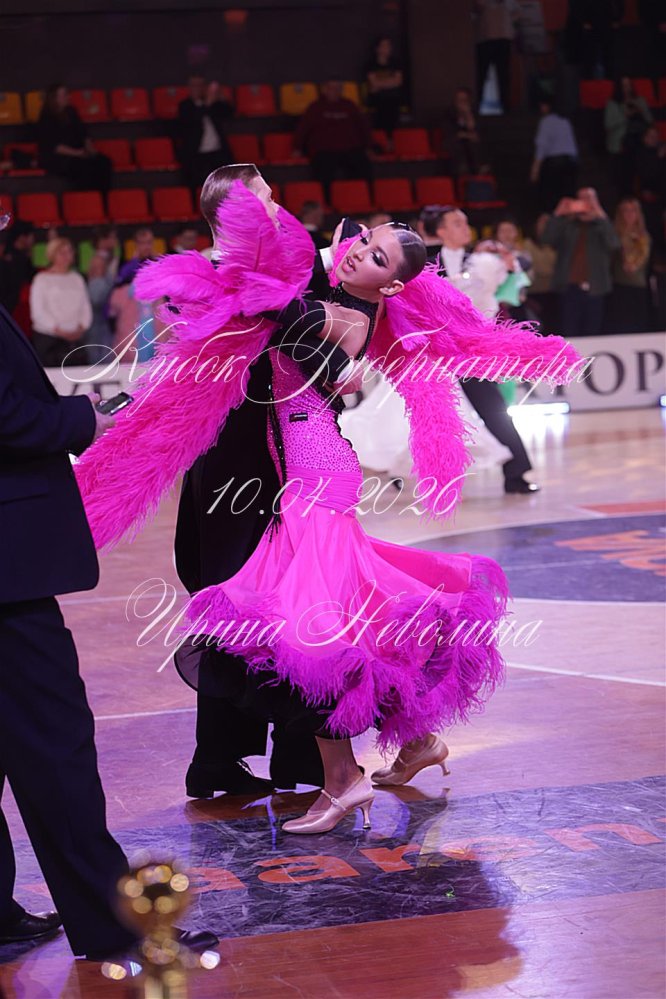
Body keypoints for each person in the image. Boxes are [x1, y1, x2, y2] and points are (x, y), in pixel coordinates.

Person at [75, 180, 581, 824]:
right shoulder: (339, 298)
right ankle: (415, 741)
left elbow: (286, 316)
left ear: (391, 286)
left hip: (310, 472)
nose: (357, 251)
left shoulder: (338, 314)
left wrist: (259, 244)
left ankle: (340, 779)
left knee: (308, 626)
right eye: (364, 241)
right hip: (308, 467)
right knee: (337, 615)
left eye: (374, 255)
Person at [165, 166, 361, 798]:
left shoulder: (234, 274)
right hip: (246, 467)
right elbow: (309, 349)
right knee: (262, 605)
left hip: (250, 460)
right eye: (267, 199)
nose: (278, 209)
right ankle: (273, 760)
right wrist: (337, 347)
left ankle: (239, 760)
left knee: (261, 605)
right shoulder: (235, 280)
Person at [421, 204, 539, 493]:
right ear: (441, 231)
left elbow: (521, 268)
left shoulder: (481, 260)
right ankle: (414, 475)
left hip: (470, 351)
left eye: (465, 222)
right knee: (424, 417)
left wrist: (507, 258)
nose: (466, 228)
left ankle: (516, 471)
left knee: (493, 407)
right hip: (433, 351)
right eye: (457, 223)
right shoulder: (425, 262)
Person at [543, 187, 619, 337]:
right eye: (581, 198)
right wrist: (558, 213)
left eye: (589, 198)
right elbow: (547, 239)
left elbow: (614, 244)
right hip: (569, 288)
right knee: (569, 331)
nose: (585, 202)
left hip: (595, 287)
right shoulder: (568, 225)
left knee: (593, 332)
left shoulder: (601, 225)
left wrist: (600, 215)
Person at [293, 79, 372, 197]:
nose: (335, 91)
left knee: (363, 166)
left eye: (338, 88)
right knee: (323, 171)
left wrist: (368, 146)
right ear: (324, 90)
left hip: (350, 149)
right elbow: (303, 128)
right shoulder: (315, 107)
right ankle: (326, 201)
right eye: (332, 88)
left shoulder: (349, 106)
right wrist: (297, 147)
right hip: (324, 150)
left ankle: (363, 197)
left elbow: (363, 127)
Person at [29, 237, 92, 368]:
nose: (66, 256)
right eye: (62, 252)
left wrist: (81, 327)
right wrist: (59, 330)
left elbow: (85, 307)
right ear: (52, 255)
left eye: (69, 251)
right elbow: (38, 311)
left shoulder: (77, 278)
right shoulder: (42, 279)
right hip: (50, 340)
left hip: (76, 339)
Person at [37, 84, 112, 193]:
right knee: (83, 167)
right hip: (59, 157)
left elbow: (82, 131)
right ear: (54, 98)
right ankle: (85, 198)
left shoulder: (71, 111)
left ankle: (103, 197)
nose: (69, 97)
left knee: (103, 162)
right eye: (65, 95)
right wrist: (77, 153)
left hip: (78, 152)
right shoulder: (46, 117)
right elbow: (53, 146)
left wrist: (89, 147)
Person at [177, 75, 233, 191]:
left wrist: (221, 98)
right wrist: (207, 103)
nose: (197, 88)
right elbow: (192, 120)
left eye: (200, 85)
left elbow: (229, 113)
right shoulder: (185, 106)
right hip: (196, 154)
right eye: (194, 85)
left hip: (217, 152)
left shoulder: (214, 104)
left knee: (224, 185)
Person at [608, 198, 651, 333]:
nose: (629, 214)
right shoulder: (614, 235)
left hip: (639, 286)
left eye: (633, 211)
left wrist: (633, 264)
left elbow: (644, 260)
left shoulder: (644, 237)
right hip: (619, 286)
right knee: (620, 325)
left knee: (638, 326)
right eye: (626, 211)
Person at [604, 78, 653, 197]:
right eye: (624, 86)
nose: (627, 89)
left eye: (628, 85)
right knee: (624, 173)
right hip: (622, 144)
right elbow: (608, 125)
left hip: (640, 142)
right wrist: (624, 116)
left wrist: (640, 111)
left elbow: (650, 121)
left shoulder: (639, 100)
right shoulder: (613, 104)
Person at [530, 97, 579, 213]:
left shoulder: (546, 122)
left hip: (555, 164)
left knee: (552, 197)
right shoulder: (565, 121)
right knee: (568, 195)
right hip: (571, 162)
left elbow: (542, 146)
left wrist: (535, 169)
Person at [473, 0, 519, 113]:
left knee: (503, 75)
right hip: (485, 39)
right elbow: (475, 10)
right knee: (481, 74)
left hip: (503, 38)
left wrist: (509, 23)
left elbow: (517, 12)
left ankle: (506, 107)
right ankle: (477, 106)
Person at [86, 225, 119, 364]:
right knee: (99, 354)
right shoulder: (99, 260)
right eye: (112, 237)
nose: (115, 241)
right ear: (103, 240)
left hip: (104, 315)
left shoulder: (107, 259)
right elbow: (96, 296)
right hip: (97, 316)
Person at [364, 37, 404, 141]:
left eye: (388, 46)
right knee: (381, 108)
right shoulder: (371, 64)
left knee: (392, 105)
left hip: (393, 98)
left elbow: (398, 81)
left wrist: (380, 84)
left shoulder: (396, 63)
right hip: (377, 99)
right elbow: (374, 83)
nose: (387, 48)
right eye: (384, 46)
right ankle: (383, 141)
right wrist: (390, 82)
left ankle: (391, 140)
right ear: (377, 49)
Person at [446, 86, 488, 176]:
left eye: (464, 100)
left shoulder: (474, 114)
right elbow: (451, 133)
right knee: (459, 142)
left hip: (470, 144)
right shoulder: (449, 114)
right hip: (455, 144)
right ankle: (463, 168)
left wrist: (468, 115)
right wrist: (467, 135)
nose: (461, 103)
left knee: (474, 142)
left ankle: (478, 169)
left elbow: (475, 131)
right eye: (458, 100)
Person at [0, 220, 35, 319]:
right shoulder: (19, 261)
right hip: (12, 311)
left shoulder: (9, 255)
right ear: (22, 237)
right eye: (31, 236)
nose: (33, 240)